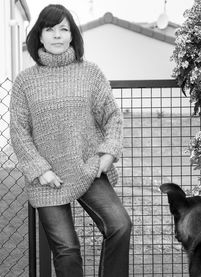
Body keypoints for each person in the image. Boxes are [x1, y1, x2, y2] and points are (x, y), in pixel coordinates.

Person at [10, 4, 132, 277]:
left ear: (72, 35)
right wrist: (41, 170)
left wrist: (108, 153)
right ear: (39, 36)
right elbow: (18, 130)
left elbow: (112, 116)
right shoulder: (25, 81)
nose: (56, 35)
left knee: (120, 224)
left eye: (63, 29)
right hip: (47, 179)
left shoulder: (90, 73)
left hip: (87, 168)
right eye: (49, 29)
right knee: (66, 250)